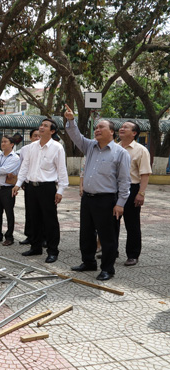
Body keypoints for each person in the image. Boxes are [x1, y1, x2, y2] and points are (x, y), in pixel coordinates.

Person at [64, 104, 131, 281]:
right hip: (88, 198)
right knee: (86, 233)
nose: (97, 130)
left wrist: (120, 203)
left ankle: (107, 268)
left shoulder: (120, 153)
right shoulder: (90, 146)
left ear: (112, 132)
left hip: (107, 200)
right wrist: (71, 120)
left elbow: (124, 181)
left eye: (101, 127)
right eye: (96, 128)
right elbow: (75, 136)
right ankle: (88, 262)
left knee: (108, 236)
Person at [12, 118, 68, 264]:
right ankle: (35, 247)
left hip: (47, 187)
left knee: (50, 221)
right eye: (41, 125)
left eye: (45, 126)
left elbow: (62, 170)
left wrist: (60, 190)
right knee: (33, 218)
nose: (41, 128)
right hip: (31, 187)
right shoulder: (31, 147)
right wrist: (18, 184)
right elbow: (25, 166)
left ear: (52, 131)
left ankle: (52, 251)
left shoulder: (57, 147)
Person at [118, 120, 152, 266]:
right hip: (114, 189)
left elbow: (145, 174)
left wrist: (141, 193)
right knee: (111, 223)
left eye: (126, 127)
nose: (122, 128)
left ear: (134, 133)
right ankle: (111, 251)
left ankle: (133, 254)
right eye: (122, 126)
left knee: (132, 224)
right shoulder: (114, 147)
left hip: (132, 189)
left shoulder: (141, 150)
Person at [0, 135, 21, 245]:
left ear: (11, 144)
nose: (2, 143)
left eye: (5, 142)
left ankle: (9, 237)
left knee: (9, 214)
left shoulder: (15, 158)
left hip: (8, 189)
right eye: (2, 142)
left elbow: (6, 169)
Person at [17, 129, 40, 245]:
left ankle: (44, 237)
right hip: (28, 183)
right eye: (35, 136)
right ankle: (30, 236)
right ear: (30, 138)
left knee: (43, 213)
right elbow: (22, 165)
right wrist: (20, 182)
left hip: (43, 184)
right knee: (30, 211)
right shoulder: (25, 150)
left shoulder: (49, 148)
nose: (37, 138)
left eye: (39, 136)